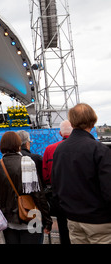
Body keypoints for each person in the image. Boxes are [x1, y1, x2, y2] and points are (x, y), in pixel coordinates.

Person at [52, 103, 111, 244]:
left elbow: (56, 184)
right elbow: (108, 189)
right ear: (93, 120)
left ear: (72, 122)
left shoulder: (60, 150)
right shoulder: (99, 149)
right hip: (98, 221)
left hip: (73, 219)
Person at [0, 131, 52, 244]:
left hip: (9, 217)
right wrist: (47, 220)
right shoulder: (27, 162)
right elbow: (38, 194)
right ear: (18, 145)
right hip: (32, 216)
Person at [42, 120, 72, 245]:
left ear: (60, 133)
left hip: (59, 196)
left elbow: (46, 176)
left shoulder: (50, 149)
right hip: (82, 198)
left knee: (64, 230)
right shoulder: (89, 146)